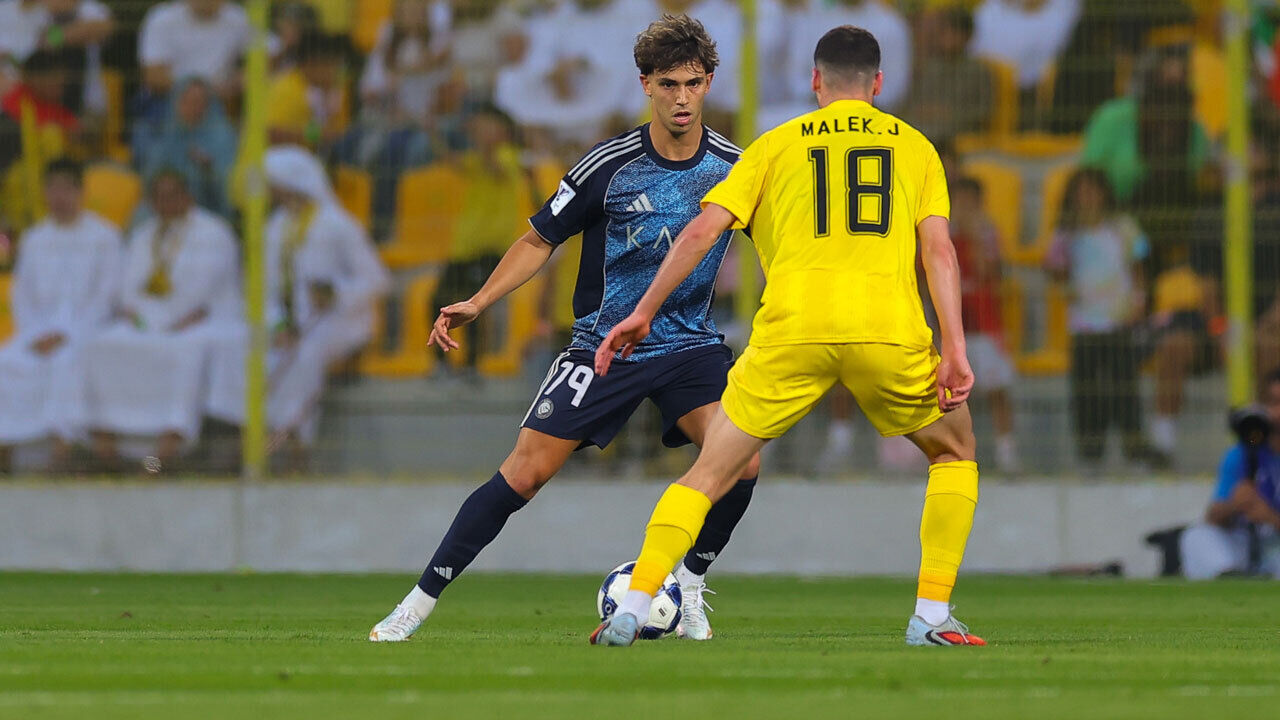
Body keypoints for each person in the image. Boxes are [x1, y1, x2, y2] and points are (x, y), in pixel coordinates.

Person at [369, 14, 761, 644]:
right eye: (668, 84)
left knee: (741, 463)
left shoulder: (737, 167)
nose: (681, 98)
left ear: (709, 82)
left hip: (690, 345)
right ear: (645, 87)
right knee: (523, 474)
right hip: (605, 346)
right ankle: (414, 605)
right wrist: (478, 301)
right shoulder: (609, 165)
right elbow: (537, 239)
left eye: (692, 83)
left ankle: (686, 586)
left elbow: (779, 241)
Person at [591, 26, 984, 647]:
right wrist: (955, 348)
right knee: (954, 452)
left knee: (708, 473)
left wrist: (643, 311)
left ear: (815, 82)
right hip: (886, 329)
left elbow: (700, 233)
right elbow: (938, 251)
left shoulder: (774, 145)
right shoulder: (916, 149)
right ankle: (931, 617)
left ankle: (635, 604)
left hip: (792, 330)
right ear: (878, 84)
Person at [205, 146, 388, 456]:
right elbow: (264, 288)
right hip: (286, 321)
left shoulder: (337, 224)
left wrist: (335, 293)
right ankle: (249, 437)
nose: (272, 192)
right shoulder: (274, 227)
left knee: (306, 354)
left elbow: (376, 278)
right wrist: (279, 324)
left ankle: (296, 445)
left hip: (340, 319)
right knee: (238, 345)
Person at [82, 169, 239, 468]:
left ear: (187, 196)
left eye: (172, 195)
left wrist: (174, 319)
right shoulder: (144, 234)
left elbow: (205, 289)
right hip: (148, 321)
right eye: (159, 197)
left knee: (186, 352)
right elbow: (128, 287)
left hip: (201, 320)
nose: (165, 203)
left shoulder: (213, 231)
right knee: (102, 345)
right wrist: (138, 314)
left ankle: (164, 451)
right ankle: (109, 446)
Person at [0, 158, 121, 471]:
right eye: (52, 189)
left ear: (81, 192)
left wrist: (68, 334)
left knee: (68, 362)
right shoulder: (35, 238)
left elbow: (107, 297)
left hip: (88, 333)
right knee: (6, 361)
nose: (59, 197)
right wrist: (37, 335)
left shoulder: (105, 236)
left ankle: (60, 455)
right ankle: (7, 456)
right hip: (37, 335)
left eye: (67, 189)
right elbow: (22, 298)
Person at [1044, 168, 1149, 467]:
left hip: (1120, 321)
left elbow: (1138, 266)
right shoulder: (1066, 233)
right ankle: (1090, 453)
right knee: (1086, 393)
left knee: (1125, 389)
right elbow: (1053, 269)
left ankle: (1134, 449)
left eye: (1093, 190)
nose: (1087, 197)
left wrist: (1139, 301)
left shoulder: (1123, 227)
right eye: (1082, 191)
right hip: (1084, 325)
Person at [1180, 371, 1280, 579]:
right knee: (1196, 536)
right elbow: (1214, 517)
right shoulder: (1242, 453)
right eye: (1274, 403)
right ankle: (1228, 575)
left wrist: (1270, 518)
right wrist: (1235, 504)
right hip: (1247, 543)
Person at [949, 176, 1019, 472]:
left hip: (985, 325)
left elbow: (992, 272)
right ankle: (958, 454)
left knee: (996, 389)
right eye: (959, 200)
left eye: (970, 201)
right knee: (956, 397)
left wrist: (976, 237)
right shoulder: (941, 235)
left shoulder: (987, 234)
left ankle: (1006, 453)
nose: (965, 207)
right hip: (954, 330)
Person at [134, 77, 237, 218]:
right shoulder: (168, 133)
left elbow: (229, 190)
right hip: (164, 205)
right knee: (141, 216)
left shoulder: (222, 136)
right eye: (186, 101)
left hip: (206, 209)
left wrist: (208, 170)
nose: (193, 107)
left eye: (199, 102)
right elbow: (149, 180)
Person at [137, 0, 250, 99]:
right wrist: (200, 93)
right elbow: (154, 77)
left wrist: (244, 77)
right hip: (169, 103)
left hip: (222, 105)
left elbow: (266, 58)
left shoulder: (239, 17)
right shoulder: (162, 18)